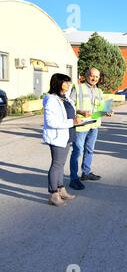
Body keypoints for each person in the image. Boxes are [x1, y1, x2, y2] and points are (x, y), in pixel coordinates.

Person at [69, 67, 111, 191]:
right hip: (81, 125)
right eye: (92, 76)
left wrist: (107, 112)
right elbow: (69, 106)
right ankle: (73, 179)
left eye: (97, 77)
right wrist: (81, 111)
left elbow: (101, 108)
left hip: (94, 125)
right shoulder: (78, 88)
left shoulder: (99, 91)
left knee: (90, 150)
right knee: (77, 152)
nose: (94, 79)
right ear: (87, 75)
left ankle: (86, 173)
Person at [43, 74, 81, 207]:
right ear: (58, 83)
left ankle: (61, 189)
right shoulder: (51, 100)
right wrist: (72, 121)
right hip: (57, 136)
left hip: (68, 134)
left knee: (61, 164)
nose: (69, 85)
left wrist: (80, 115)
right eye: (66, 83)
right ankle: (54, 194)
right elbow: (51, 121)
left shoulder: (66, 98)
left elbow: (69, 113)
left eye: (69, 83)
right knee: (57, 164)